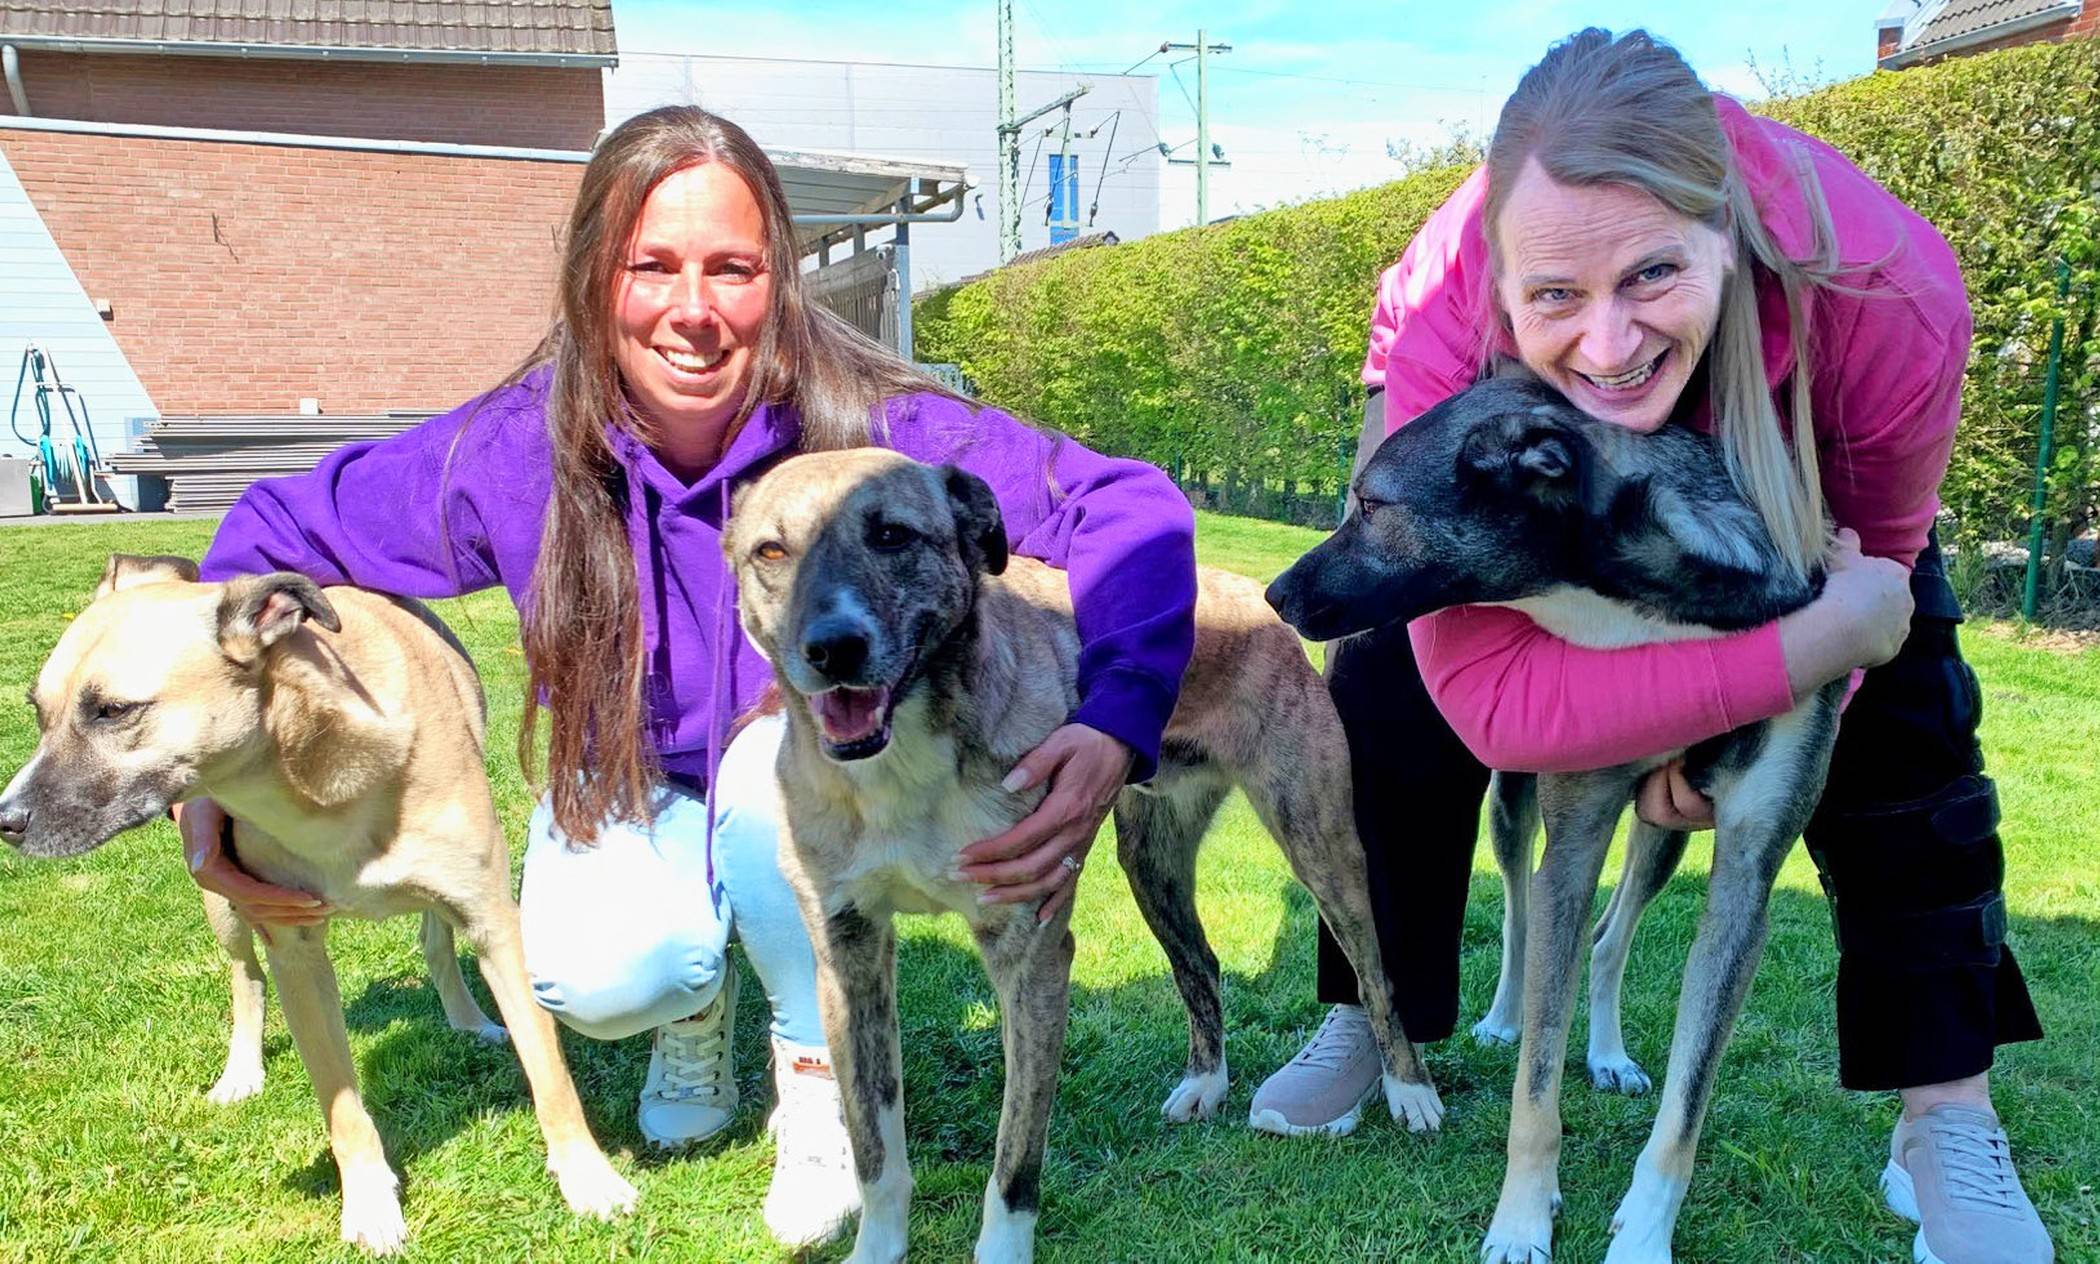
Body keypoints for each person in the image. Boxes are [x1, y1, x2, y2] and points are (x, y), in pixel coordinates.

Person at [174, 106, 1197, 1250]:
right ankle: (697, 997)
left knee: (776, 758)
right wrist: (211, 768)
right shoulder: (517, 449)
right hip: (634, 781)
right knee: (606, 978)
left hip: (805, 775)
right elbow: (267, 531)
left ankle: (815, 1064)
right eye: (650, 266)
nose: (695, 310)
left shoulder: (879, 425)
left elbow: (1128, 504)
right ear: (590, 280)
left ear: (782, 282)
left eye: (734, 268)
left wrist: (1118, 717)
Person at [1247, 29, 2051, 1264]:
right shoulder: (1450, 325)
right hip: (1515, 450)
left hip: (1804, 480)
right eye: (1559, 293)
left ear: (1725, 234)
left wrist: (1785, 686)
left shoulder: (1892, 294)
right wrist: (1675, 714)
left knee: (1914, 726)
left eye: (1652, 276)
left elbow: (1867, 587)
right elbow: (1498, 705)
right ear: (1502, 286)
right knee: (1388, 697)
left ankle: (1946, 1109)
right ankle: (1379, 1007)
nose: (1610, 347)